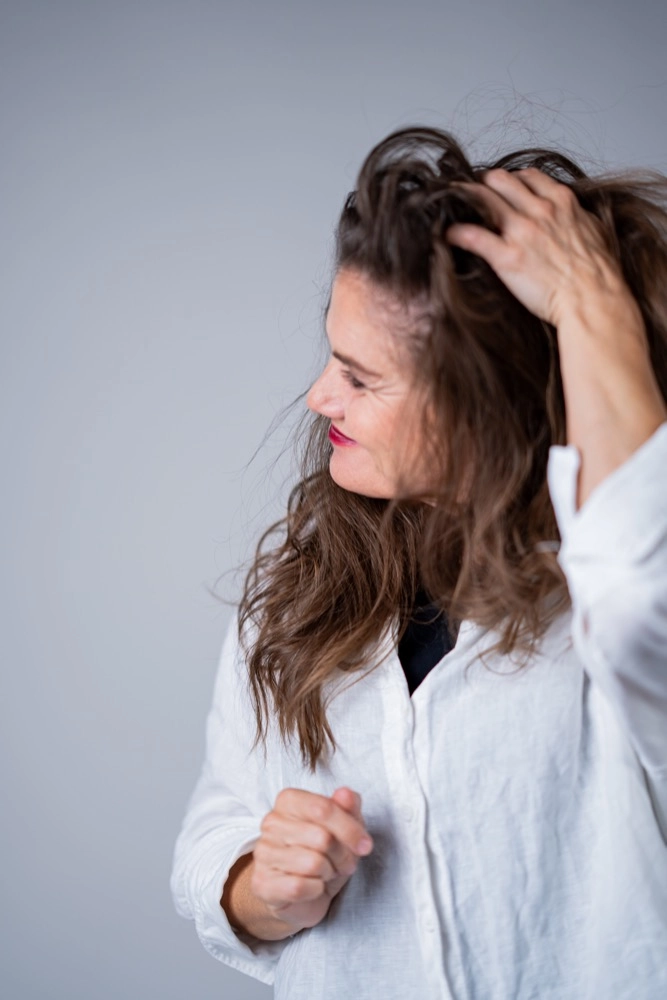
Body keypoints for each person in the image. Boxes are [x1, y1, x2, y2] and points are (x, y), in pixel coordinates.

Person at [170, 125, 667, 999]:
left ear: (488, 404)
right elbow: (218, 826)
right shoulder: (298, 585)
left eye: (362, 377)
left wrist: (591, 304)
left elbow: (638, 603)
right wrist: (263, 888)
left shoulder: (605, 599)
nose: (320, 396)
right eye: (332, 356)